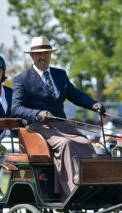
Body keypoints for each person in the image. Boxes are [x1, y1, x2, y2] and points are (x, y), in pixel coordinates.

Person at [12, 36, 106, 199]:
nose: (42, 57)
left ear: (50, 54)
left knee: (85, 142)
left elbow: (75, 95)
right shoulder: (22, 79)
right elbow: (16, 108)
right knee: (66, 144)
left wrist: (93, 104)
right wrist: (37, 114)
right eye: (39, 54)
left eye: (46, 53)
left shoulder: (60, 74)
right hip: (37, 129)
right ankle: (71, 191)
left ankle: (91, 187)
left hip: (61, 125)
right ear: (32, 56)